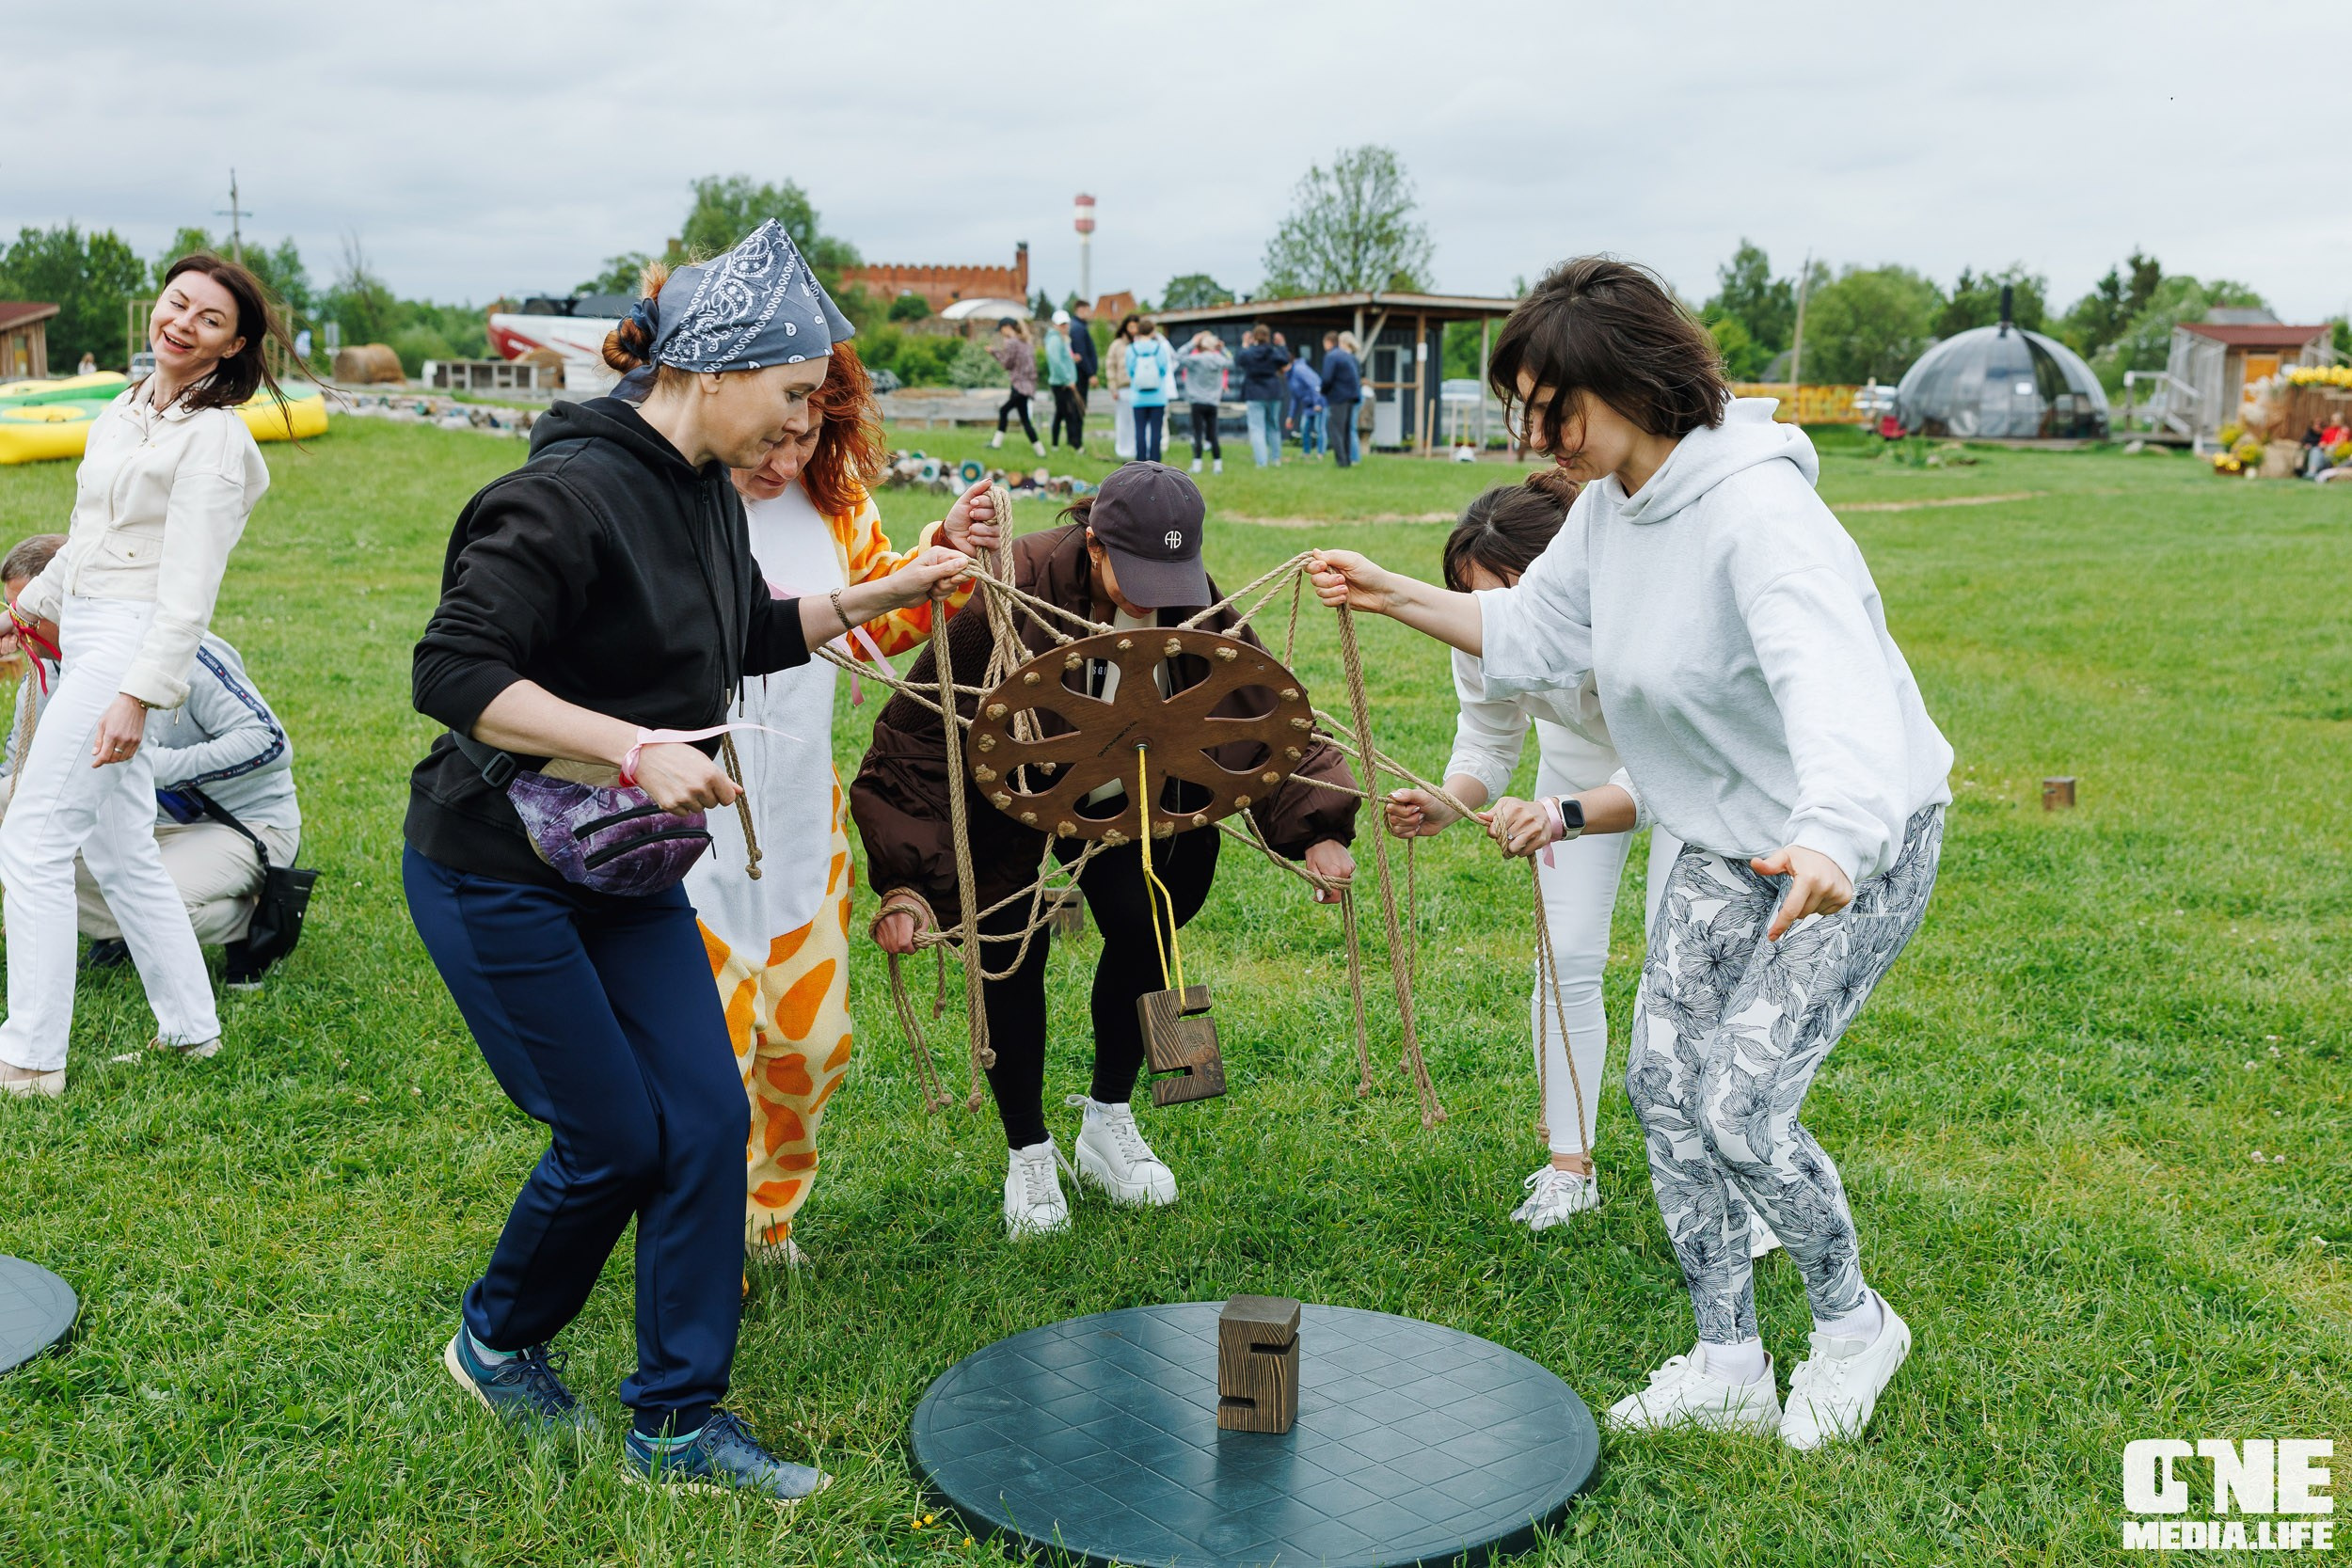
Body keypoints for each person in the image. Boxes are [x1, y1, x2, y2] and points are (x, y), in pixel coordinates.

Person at [1309, 257, 1952, 1450]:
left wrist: (1831, 833)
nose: (1535, 432)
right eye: (1527, 407)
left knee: (1744, 1105)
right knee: (1663, 1089)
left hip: (1847, 844)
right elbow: (1536, 627)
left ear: (1634, 383)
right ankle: (1724, 1356)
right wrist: (1391, 590)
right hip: (1721, 839)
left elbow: (1839, 691)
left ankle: (1855, 1326)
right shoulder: (1613, 506)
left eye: (1555, 406)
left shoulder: (1759, 516)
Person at [404, 221, 973, 1499]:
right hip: (498, 864)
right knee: (614, 1133)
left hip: (621, 867)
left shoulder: (707, 493)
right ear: (713, 367)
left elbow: (754, 629)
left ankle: (676, 1418)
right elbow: (452, 670)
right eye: (787, 399)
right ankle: (496, 1338)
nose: (797, 433)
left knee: (708, 1116)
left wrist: (899, 585)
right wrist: (631, 745)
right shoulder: (557, 495)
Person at [853, 463, 1360, 1238]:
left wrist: (1317, 826)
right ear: (1093, 545)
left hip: (1134, 795)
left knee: (1148, 916)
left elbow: (1257, 709)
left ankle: (1109, 1119)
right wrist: (908, 882)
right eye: (1140, 573)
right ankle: (1028, 1147)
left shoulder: (1188, 596)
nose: (1158, 594)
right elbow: (920, 734)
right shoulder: (1013, 583)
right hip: (1011, 792)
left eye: (1174, 573)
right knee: (1006, 945)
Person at [686, 341, 1000, 1268]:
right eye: (770, 435)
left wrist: (942, 551)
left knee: (810, 1046)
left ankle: (770, 1211)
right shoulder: (666, 500)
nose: (783, 458)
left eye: (807, 432)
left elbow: (886, 617)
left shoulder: (835, 504)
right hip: (680, 832)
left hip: (797, 823)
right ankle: (709, 1241)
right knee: (712, 1066)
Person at [0, 251, 297, 1100]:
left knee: (33, 837)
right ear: (157, 309)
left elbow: (190, 586)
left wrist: (138, 693)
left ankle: (27, 1060)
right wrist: (22, 617)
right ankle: (192, 1030)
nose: (184, 324)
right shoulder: (124, 409)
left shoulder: (214, 438)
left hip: (130, 641)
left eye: (210, 320)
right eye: (178, 305)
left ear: (232, 346)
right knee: (122, 846)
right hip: (88, 618)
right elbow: (83, 536)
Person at [1382, 474, 1692, 1235]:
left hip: (1696, 766)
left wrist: (1561, 815)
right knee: (1565, 957)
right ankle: (1568, 1165)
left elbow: (1662, 774)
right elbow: (1488, 736)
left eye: (1515, 595)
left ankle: (1720, 1174)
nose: (1499, 617)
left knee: (1685, 966)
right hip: (1578, 763)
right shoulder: (1481, 627)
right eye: (1481, 600)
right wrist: (1448, 800)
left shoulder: (1645, 611)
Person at [1234, 325, 1292, 467]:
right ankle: (1276, 459)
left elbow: (1238, 360)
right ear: (1268, 336)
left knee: (1257, 428)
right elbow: (1285, 360)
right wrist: (1282, 344)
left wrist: (1245, 344)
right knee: (1273, 426)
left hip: (1254, 393)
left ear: (1254, 336)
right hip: (1273, 392)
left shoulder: (1248, 352)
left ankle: (1261, 463)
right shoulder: (1273, 352)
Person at [1175, 330, 1232, 475]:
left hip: (1197, 401)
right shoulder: (1220, 360)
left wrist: (1191, 343)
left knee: (1197, 433)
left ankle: (1197, 464)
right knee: (1213, 434)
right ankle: (1217, 465)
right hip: (1213, 402)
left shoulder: (1196, 359)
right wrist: (1223, 348)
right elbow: (1232, 361)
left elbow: (1178, 356)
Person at [987, 319, 1045, 456]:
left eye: (1001, 330)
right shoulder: (1027, 343)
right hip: (1028, 386)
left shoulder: (1011, 342)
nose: (1001, 334)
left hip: (1019, 386)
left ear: (1007, 327)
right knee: (1025, 420)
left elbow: (1006, 364)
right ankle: (1040, 452)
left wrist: (993, 352)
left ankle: (996, 444)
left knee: (1004, 410)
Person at [1123, 317, 1174, 464]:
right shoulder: (1159, 348)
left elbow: (1130, 371)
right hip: (1157, 397)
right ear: (1153, 331)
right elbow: (1164, 369)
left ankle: (1140, 461)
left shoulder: (1131, 349)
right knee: (1156, 432)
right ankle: (1155, 462)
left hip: (1138, 397)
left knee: (1140, 431)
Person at [1321, 331, 1362, 468]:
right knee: (1346, 431)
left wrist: (1323, 392)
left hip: (1338, 397)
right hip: (1353, 396)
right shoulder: (1352, 358)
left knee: (1336, 431)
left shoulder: (1332, 356)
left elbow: (1327, 378)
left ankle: (1341, 462)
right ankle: (1348, 460)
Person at [1046, 310, 1085, 453]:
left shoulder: (1062, 338)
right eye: (1062, 324)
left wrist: (1072, 359)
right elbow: (1056, 362)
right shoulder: (1055, 340)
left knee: (1060, 414)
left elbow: (1063, 358)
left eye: (1066, 323)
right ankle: (1076, 445)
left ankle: (1056, 445)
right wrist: (1068, 379)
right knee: (1069, 414)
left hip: (1065, 382)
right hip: (1061, 384)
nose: (1065, 326)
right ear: (1055, 324)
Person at [1287, 349, 1327, 460]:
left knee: (1319, 429)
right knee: (1304, 428)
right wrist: (1291, 416)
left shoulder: (1300, 369)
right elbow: (1295, 397)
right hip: (1307, 406)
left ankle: (1320, 454)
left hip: (1318, 403)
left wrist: (1318, 403)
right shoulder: (1289, 375)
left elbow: (1315, 384)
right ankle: (1306, 453)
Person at [1069, 301, 1100, 426]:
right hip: (1080, 375)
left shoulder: (1080, 326)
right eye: (1088, 309)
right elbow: (1081, 354)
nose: (1090, 313)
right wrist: (1091, 373)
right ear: (1081, 309)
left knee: (1078, 408)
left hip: (1081, 374)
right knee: (1078, 408)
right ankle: (1076, 442)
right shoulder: (1078, 328)